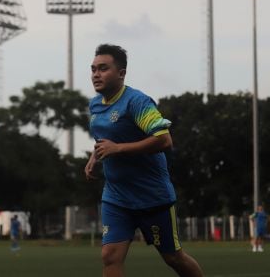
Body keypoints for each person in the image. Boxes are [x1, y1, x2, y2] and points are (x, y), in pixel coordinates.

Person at [85, 44, 204, 277]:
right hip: (116, 196)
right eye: (93, 69)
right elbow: (106, 136)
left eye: (103, 68)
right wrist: (94, 157)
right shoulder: (95, 104)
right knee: (110, 256)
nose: (96, 74)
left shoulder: (137, 102)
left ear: (121, 73)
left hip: (152, 197)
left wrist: (117, 149)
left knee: (173, 257)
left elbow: (163, 140)